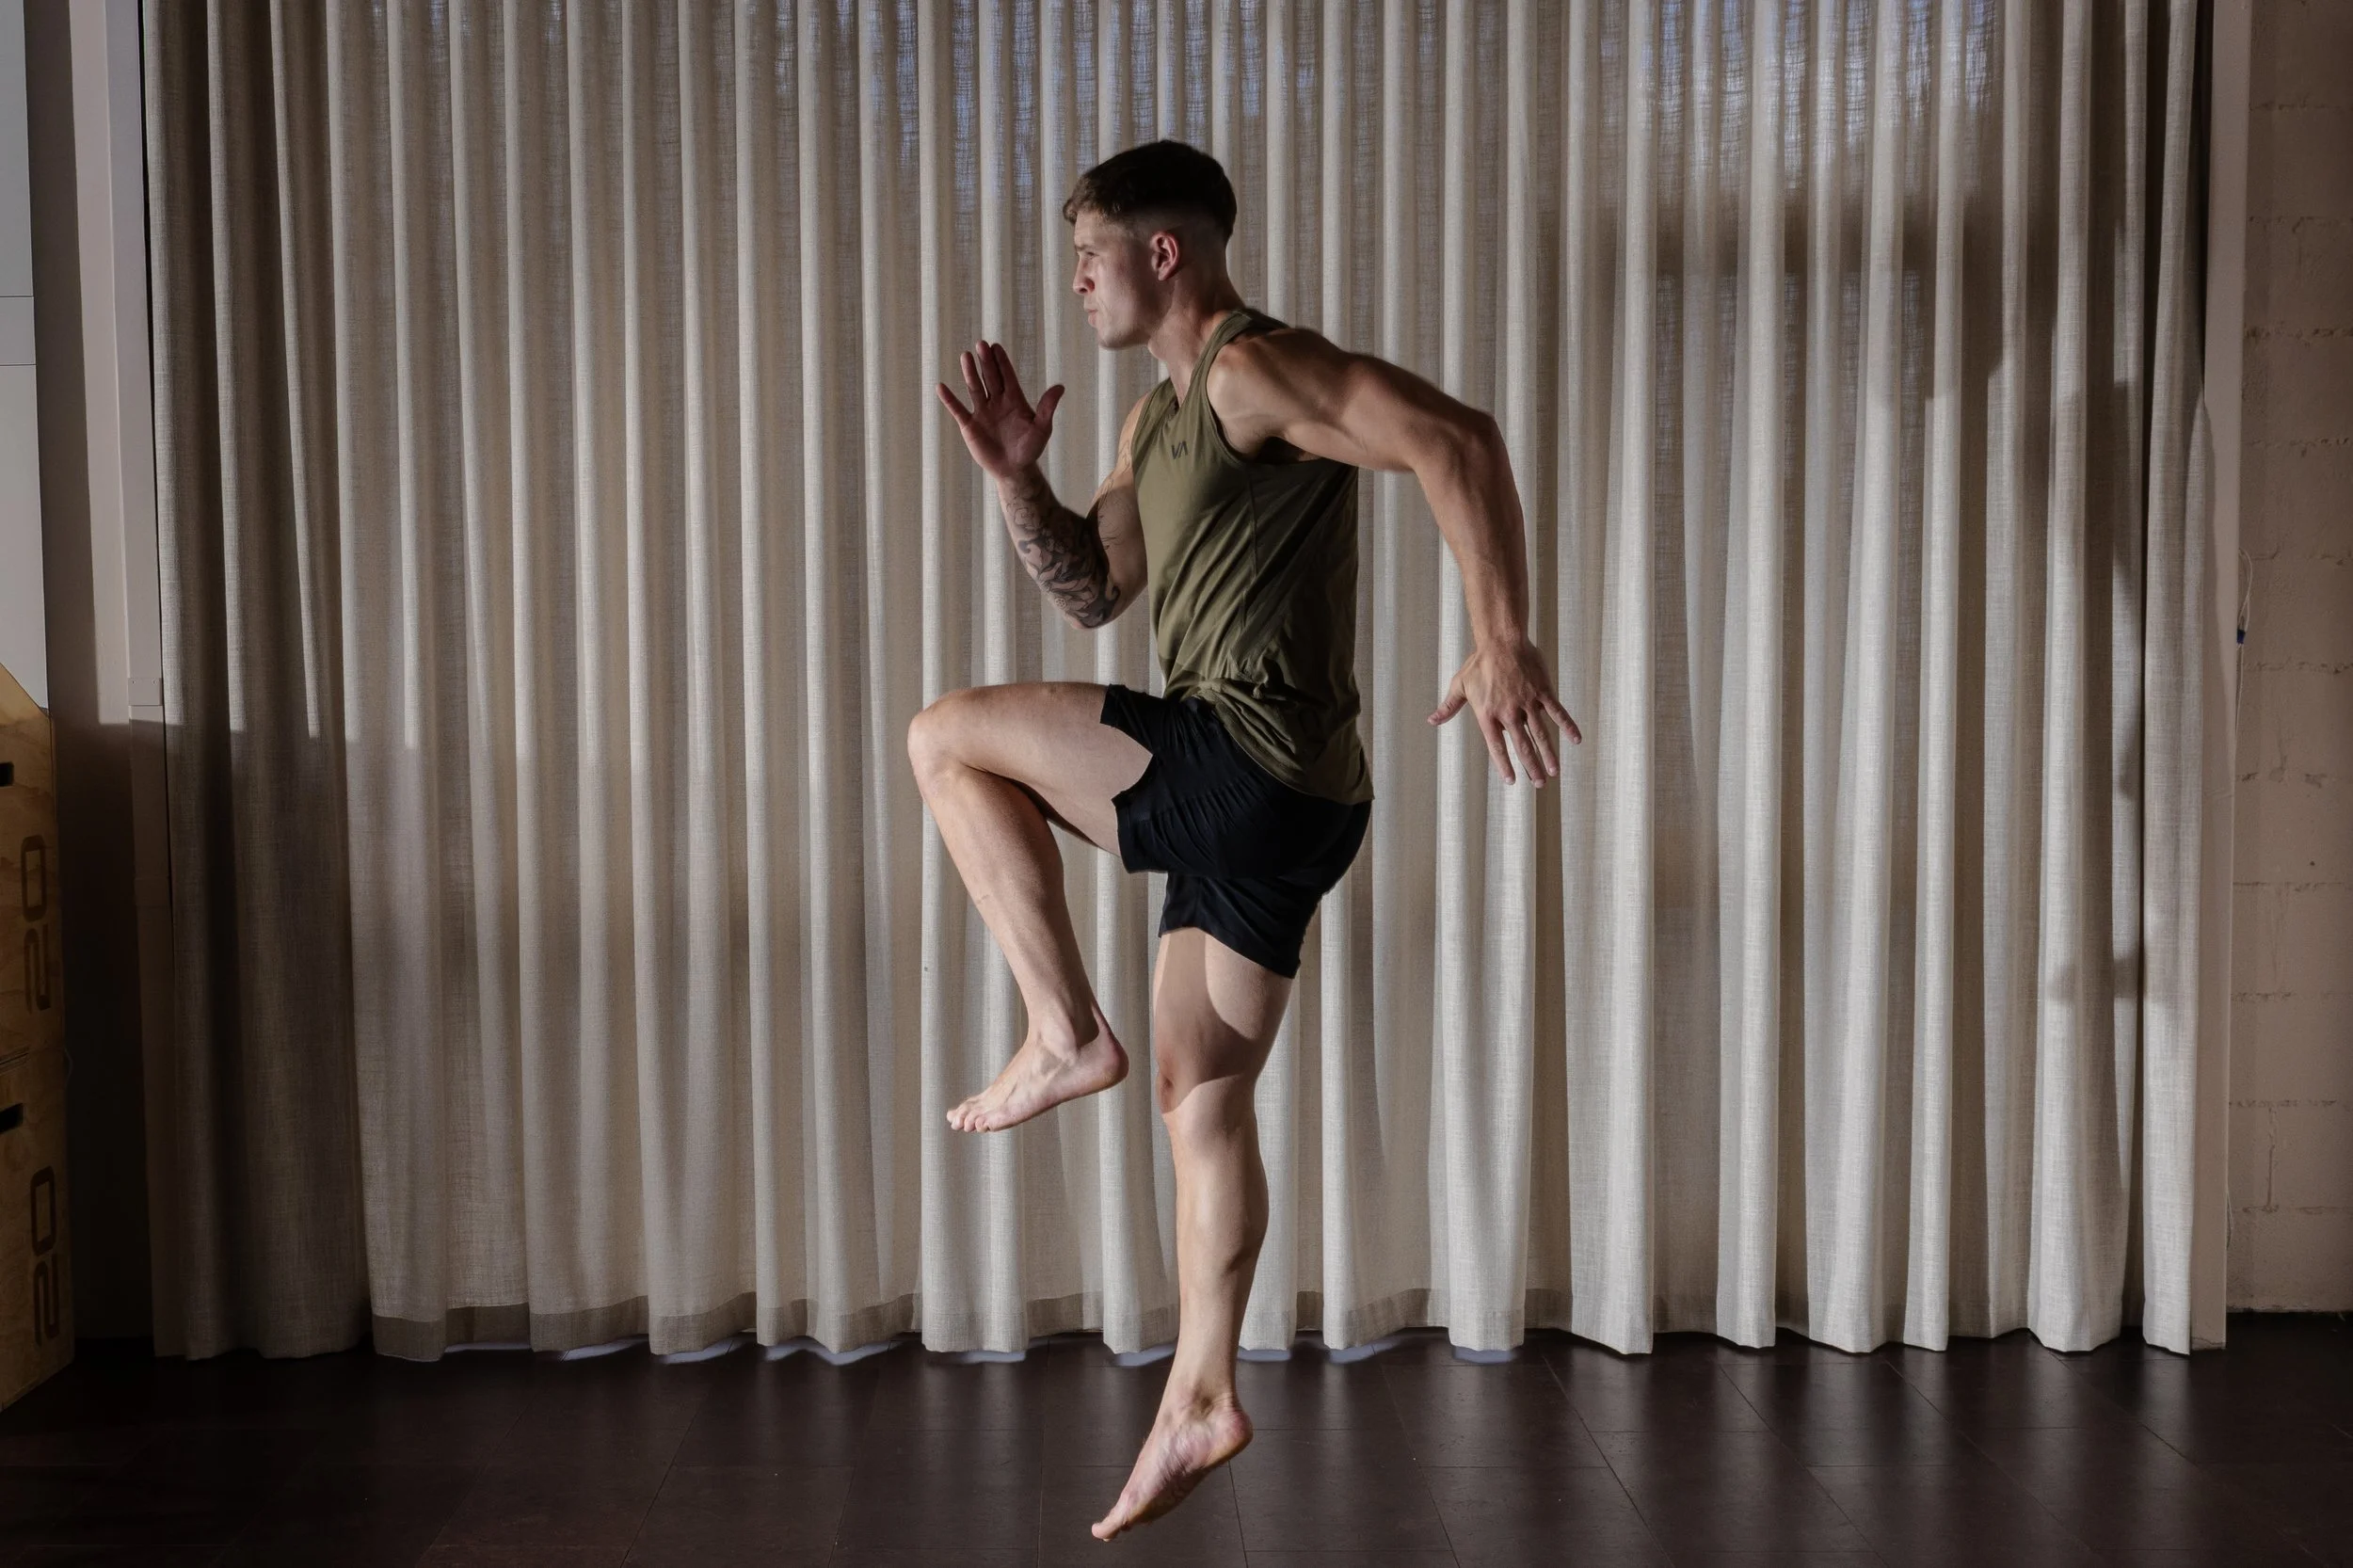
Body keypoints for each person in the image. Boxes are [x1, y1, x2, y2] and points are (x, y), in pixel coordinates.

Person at [911, 138, 1578, 1541]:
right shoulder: (1158, 425)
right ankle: (1203, 1394)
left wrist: (1501, 635)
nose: (1076, 279)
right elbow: (1094, 593)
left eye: (1091, 252)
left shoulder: (1250, 370)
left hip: (1250, 755)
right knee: (1198, 1096)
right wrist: (1017, 483)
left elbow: (1455, 436)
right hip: (1296, 796)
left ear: (1165, 254)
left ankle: (1057, 1029)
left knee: (942, 735)